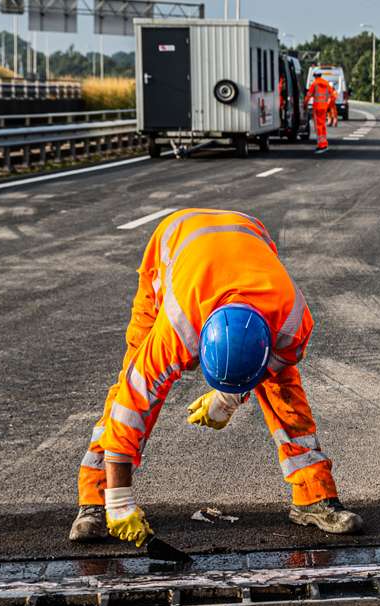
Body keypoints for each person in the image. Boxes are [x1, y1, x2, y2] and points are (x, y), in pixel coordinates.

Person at [68, 209, 361, 546]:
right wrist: (120, 501)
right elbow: (133, 403)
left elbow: (272, 368)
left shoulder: (292, 321)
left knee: (283, 386)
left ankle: (314, 495)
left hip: (247, 237)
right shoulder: (177, 326)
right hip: (174, 243)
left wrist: (228, 398)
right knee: (132, 376)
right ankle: (98, 497)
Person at [306, 71, 335, 153]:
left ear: (315, 76)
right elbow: (333, 96)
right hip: (324, 108)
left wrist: (305, 104)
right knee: (322, 126)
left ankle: (320, 146)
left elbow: (308, 95)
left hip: (317, 108)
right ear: (321, 75)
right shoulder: (326, 84)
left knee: (318, 127)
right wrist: (329, 105)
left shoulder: (314, 84)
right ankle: (324, 144)